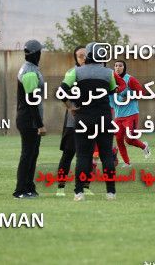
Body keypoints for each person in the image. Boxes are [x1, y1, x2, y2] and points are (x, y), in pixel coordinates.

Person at [56, 46, 124, 197]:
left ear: (87, 58)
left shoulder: (76, 72)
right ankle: (111, 192)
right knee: (106, 155)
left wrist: (71, 107)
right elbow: (113, 90)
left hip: (83, 118)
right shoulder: (108, 73)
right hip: (104, 118)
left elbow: (62, 90)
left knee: (83, 155)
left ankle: (79, 192)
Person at [13, 40, 46, 199]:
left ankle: (29, 187)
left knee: (33, 153)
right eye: (40, 52)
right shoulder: (29, 72)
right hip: (29, 119)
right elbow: (32, 101)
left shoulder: (30, 69)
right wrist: (39, 124)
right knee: (28, 154)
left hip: (28, 118)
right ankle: (20, 190)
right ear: (36, 54)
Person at [110, 60, 151, 167]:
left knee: (129, 139)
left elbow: (141, 92)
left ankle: (144, 146)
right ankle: (127, 163)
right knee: (119, 139)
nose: (118, 68)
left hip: (131, 114)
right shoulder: (111, 81)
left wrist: (128, 95)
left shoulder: (129, 79)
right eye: (116, 66)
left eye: (120, 66)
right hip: (118, 116)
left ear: (124, 67)